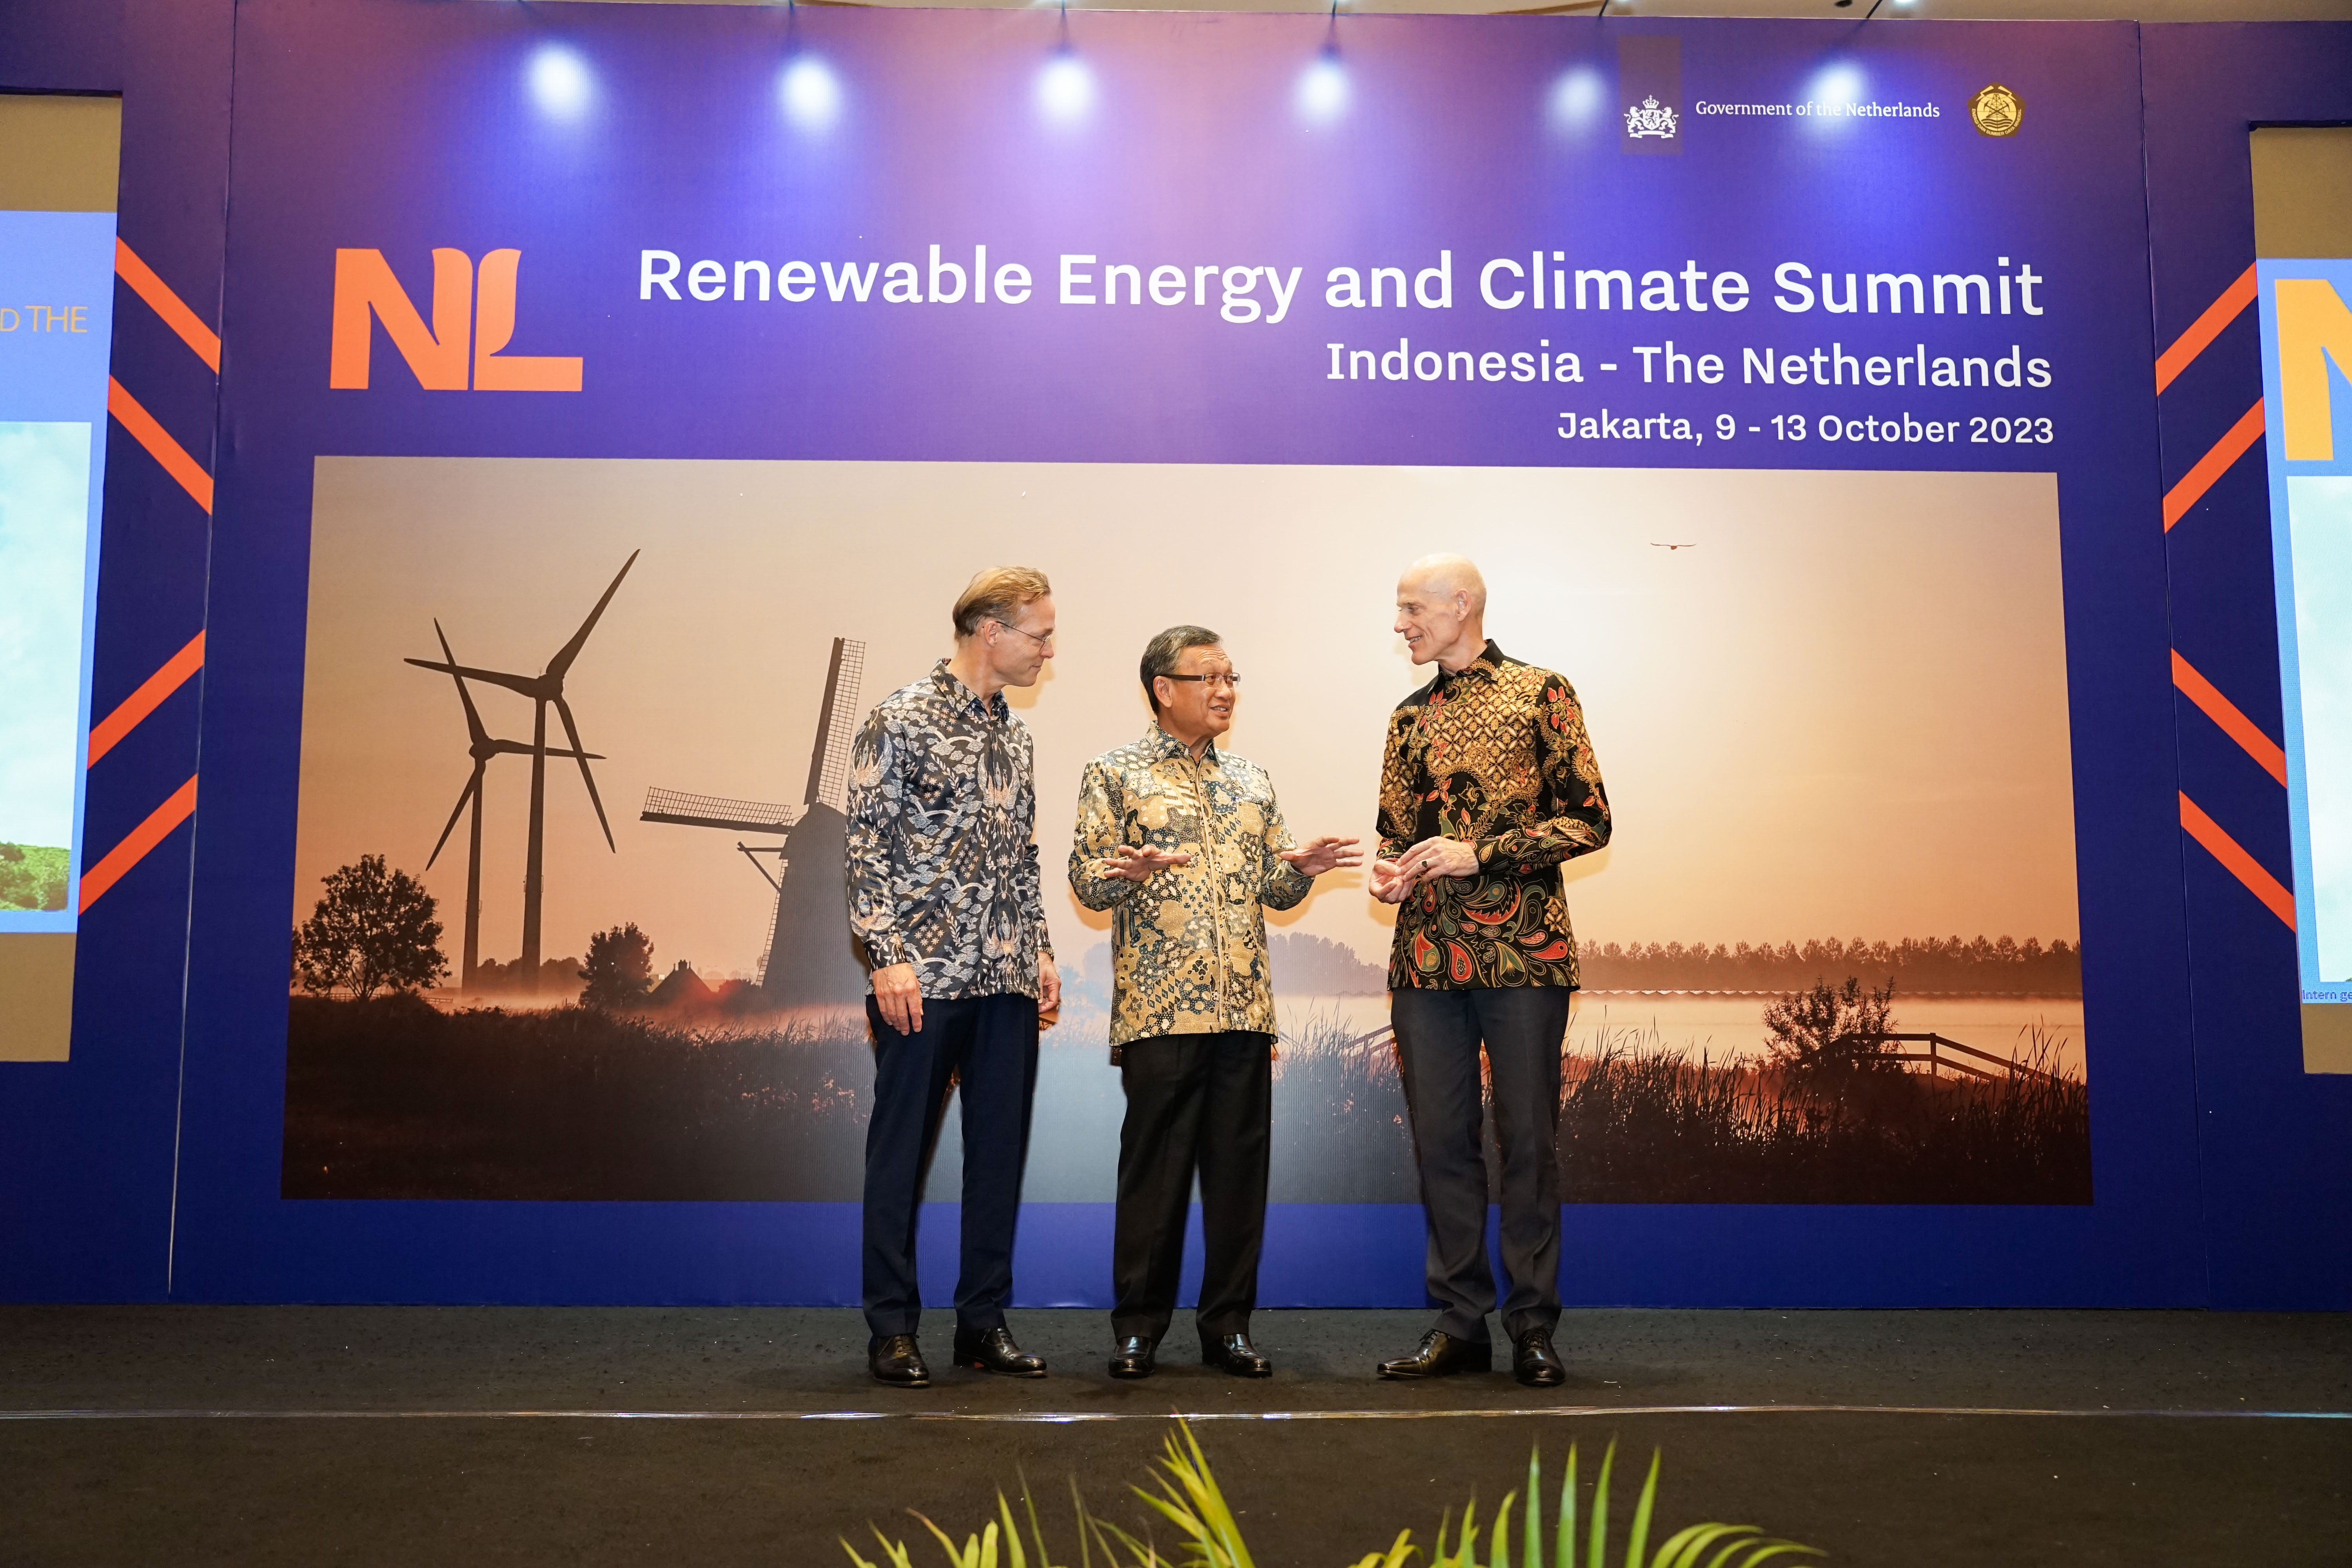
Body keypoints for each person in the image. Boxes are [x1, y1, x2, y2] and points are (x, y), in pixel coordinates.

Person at [1069, 626, 1360, 1380]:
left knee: (1238, 1178)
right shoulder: (1114, 772)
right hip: (1161, 1012)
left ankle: (1228, 1327)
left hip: (1243, 1014)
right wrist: (1125, 871)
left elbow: (1277, 887)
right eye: (1209, 678)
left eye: (1233, 677)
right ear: (1165, 689)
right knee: (1155, 1179)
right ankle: (1138, 1329)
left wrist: (1308, 870)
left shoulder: (1252, 780)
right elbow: (1088, 883)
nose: (1226, 691)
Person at [1367, 554, 1611, 1387]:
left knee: (1530, 1141)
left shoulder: (1544, 692)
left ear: (1461, 604)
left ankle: (1533, 1327)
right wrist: (1388, 872)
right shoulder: (1407, 718)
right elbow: (1395, 836)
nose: (1400, 623)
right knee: (1441, 1142)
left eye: (1411, 608)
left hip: (1525, 954)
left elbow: (1591, 819)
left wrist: (1486, 853)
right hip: (1427, 958)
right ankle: (1459, 1322)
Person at [846, 566, 1063, 1389]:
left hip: (1005, 978)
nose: (1048, 647)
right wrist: (886, 953)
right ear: (991, 631)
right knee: (900, 1155)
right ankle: (892, 1329)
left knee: (997, 1156)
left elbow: (1023, 856)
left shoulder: (1018, 735)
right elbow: (865, 847)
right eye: (1039, 633)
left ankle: (983, 1323)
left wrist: (1039, 948)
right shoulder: (896, 720)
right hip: (921, 978)